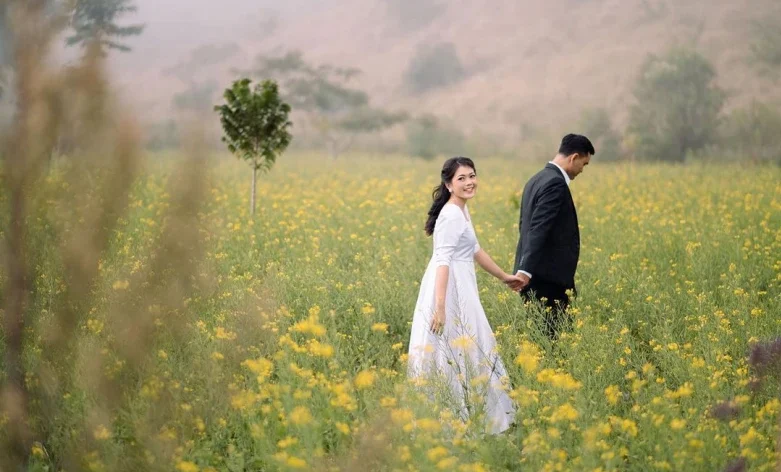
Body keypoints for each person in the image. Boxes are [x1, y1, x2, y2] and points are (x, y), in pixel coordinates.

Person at [408, 156, 521, 434]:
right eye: (462, 178)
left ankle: (473, 416)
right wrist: (441, 307)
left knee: (469, 346)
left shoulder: (461, 211)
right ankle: (450, 423)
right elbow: (443, 261)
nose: (469, 182)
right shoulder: (450, 215)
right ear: (448, 184)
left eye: (472, 176)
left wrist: (504, 276)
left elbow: (475, 250)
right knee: (455, 348)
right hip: (450, 289)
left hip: (462, 284)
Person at [513, 134, 594, 340]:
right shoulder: (555, 183)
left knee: (542, 340)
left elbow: (525, 225)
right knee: (554, 342)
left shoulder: (536, 179)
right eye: (583, 164)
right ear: (573, 157)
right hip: (547, 281)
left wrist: (524, 268)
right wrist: (525, 270)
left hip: (535, 277)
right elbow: (538, 228)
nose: (582, 170)